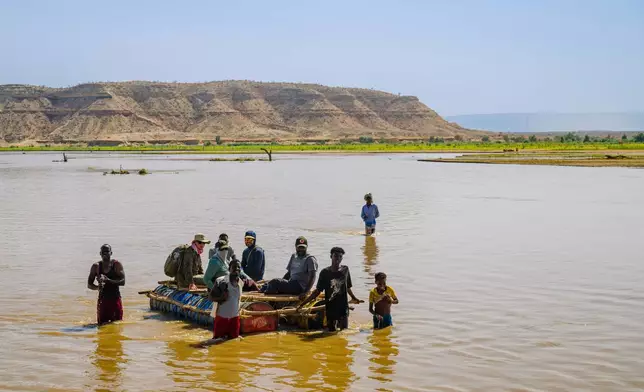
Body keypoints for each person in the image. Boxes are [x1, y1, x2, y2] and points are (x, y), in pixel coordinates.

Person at [298, 247, 363, 331]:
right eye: (335, 256)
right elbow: (317, 291)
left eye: (340, 256)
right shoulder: (325, 273)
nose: (338, 259)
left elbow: (347, 287)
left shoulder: (345, 269)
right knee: (331, 332)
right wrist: (303, 304)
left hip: (343, 307)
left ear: (342, 258)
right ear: (331, 256)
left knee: (344, 332)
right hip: (331, 307)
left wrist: (354, 298)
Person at [87, 244, 125, 325]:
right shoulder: (96, 266)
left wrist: (108, 280)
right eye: (103, 252)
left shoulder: (116, 265)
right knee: (101, 326)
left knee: (117, 324)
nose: (105, 253)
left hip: (115, 299)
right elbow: (89, 285)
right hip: (102, 300)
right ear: (100, 253)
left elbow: (123, 281)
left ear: (111, 253)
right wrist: (97, 287)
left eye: (107, 251)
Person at [209, 259, 243, 341]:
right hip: (222, 318)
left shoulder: (241, 282)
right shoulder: (221, 281)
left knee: (234, 341)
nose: (237, 269)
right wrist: (221, 298)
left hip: (235, 318)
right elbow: (210, 297)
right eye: (234, 267)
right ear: (229, 269)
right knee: (216, 341)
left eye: (239, 267)